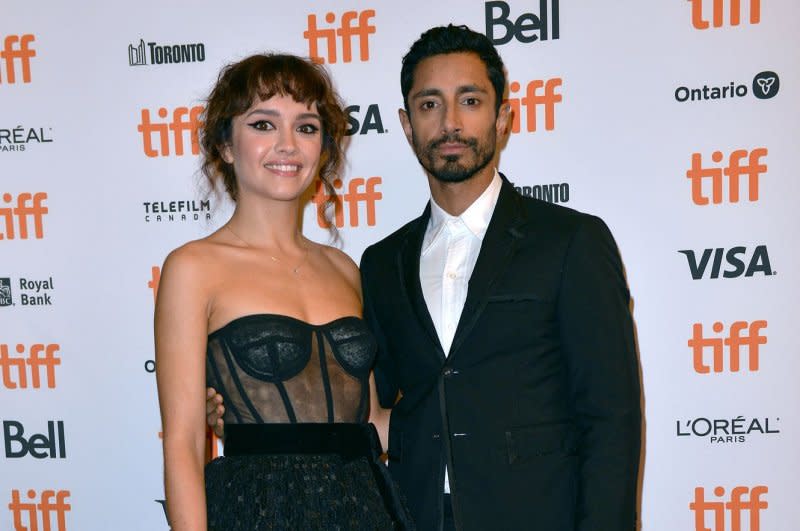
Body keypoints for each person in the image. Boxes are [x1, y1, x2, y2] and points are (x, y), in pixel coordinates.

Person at [209, 25, 642, 531]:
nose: (450, 123)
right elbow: (361, 406)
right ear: (406, 124)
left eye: (471, 101)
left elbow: (611, 419)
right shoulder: (381, 263)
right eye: (430, 104)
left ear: (503, 118)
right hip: (411, 517)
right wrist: (253, 412)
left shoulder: (570, 242)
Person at [156, 53, 412, 531]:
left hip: (364, 508)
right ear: (226, 146)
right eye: (263, 124)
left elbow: (374, 420)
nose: (288, 145)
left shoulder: (344, 269)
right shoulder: (193, 268)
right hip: (258, 511)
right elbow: (185, 445)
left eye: (307, 127)